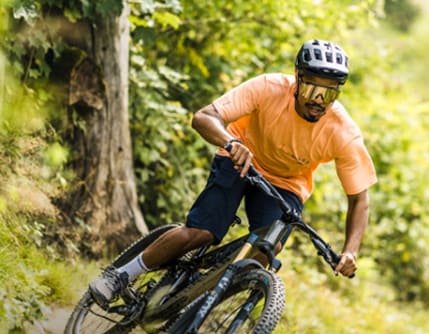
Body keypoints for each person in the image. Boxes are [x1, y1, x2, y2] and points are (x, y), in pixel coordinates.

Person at [90, 38, 377, 308]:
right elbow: (204, 117)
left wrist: (350, 251)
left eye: (329, 92)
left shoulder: (343, 132)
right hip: (240, 158)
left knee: (267, 249)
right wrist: (232, 142)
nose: (319, 99)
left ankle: (197, 308)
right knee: (202, 232)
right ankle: (120, 275)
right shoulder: (269, 88)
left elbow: (359, 199)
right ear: (297, 78)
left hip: (287, 184)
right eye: (313, 89)